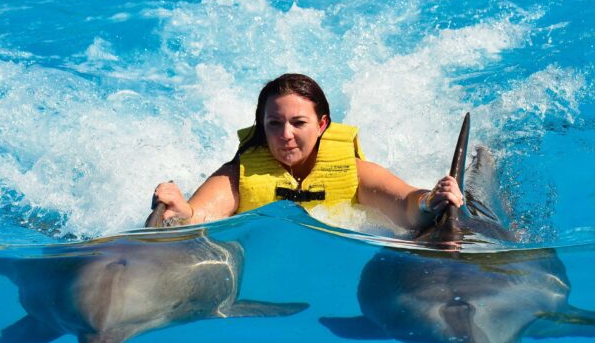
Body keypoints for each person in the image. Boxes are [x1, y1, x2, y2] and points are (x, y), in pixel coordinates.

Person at [153, 73, 464, 229]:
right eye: (274, 123)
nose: (285, 135)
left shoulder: (351, 171)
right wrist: (182, 213)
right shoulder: (241, 173)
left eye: (298, 122)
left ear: (322, 124)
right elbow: (201, 214)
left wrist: (429, 200)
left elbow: (405, 205)